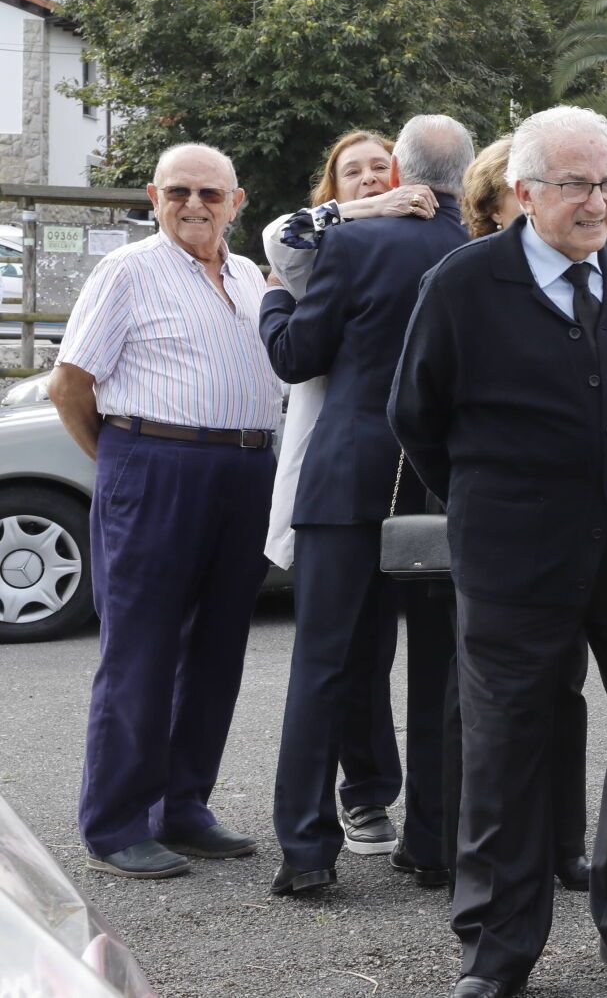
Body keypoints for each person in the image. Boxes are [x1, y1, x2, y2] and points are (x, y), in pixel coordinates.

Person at [391, 106, 607, 998]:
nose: (598, 202)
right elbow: (418, 419)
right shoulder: (462, 285)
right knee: (505, 756)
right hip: (515, 563)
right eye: (576, 185)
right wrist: (497, 505)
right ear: (524, 192)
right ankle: (496, 949)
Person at [48, 144, 283, 880]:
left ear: (236, 202)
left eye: (210, 193)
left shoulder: (249, 277)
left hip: (247, 469)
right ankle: (116, 823)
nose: (194, 204)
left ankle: (182, 808)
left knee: (216, 650)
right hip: (153, 463)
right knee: (140, 652)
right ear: (154, 196)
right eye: (178, 190)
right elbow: (68, 384)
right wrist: (124, 463)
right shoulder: (127, 270)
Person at [261, 116, 474, 898]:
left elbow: (297, 355)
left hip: (350, 476)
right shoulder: (482, 253)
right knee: (442, 670)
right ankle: (434, 843)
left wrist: (275, 303)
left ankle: (308, 851)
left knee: (322, 663)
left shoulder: (352, 245)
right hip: (445, 483)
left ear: (401, 174)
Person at [446, 133, 592, 893]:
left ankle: (564, 842)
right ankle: (458, 850)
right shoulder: (465, 281)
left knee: (559, 700)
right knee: (485, 712)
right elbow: (423, 409)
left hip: (575, 541)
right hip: (498, 536)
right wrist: (484, 495)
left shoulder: (605, 275)